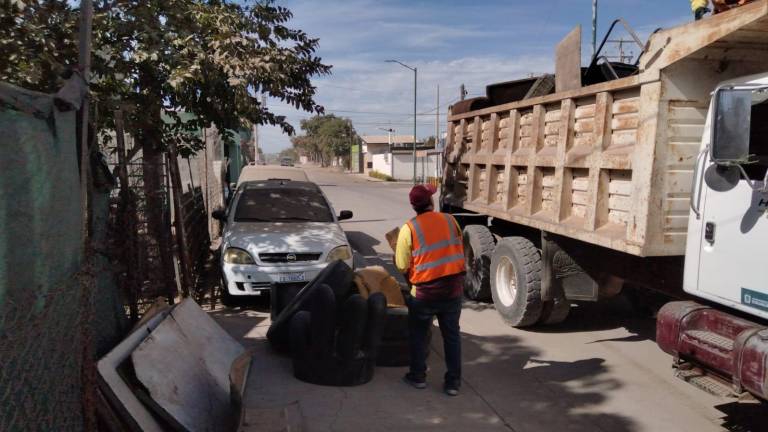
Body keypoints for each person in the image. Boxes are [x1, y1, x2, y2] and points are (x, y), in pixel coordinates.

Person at [395, 184, 465, 396]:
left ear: (413, 206)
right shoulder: (450, 220)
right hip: (452, 290)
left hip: (423, 294)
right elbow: (458, 244)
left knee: (418, 335)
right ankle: (453, 383)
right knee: (451, 336)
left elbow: (401, 265)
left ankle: (418, 376)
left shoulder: (409, 229)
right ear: (431, 203)